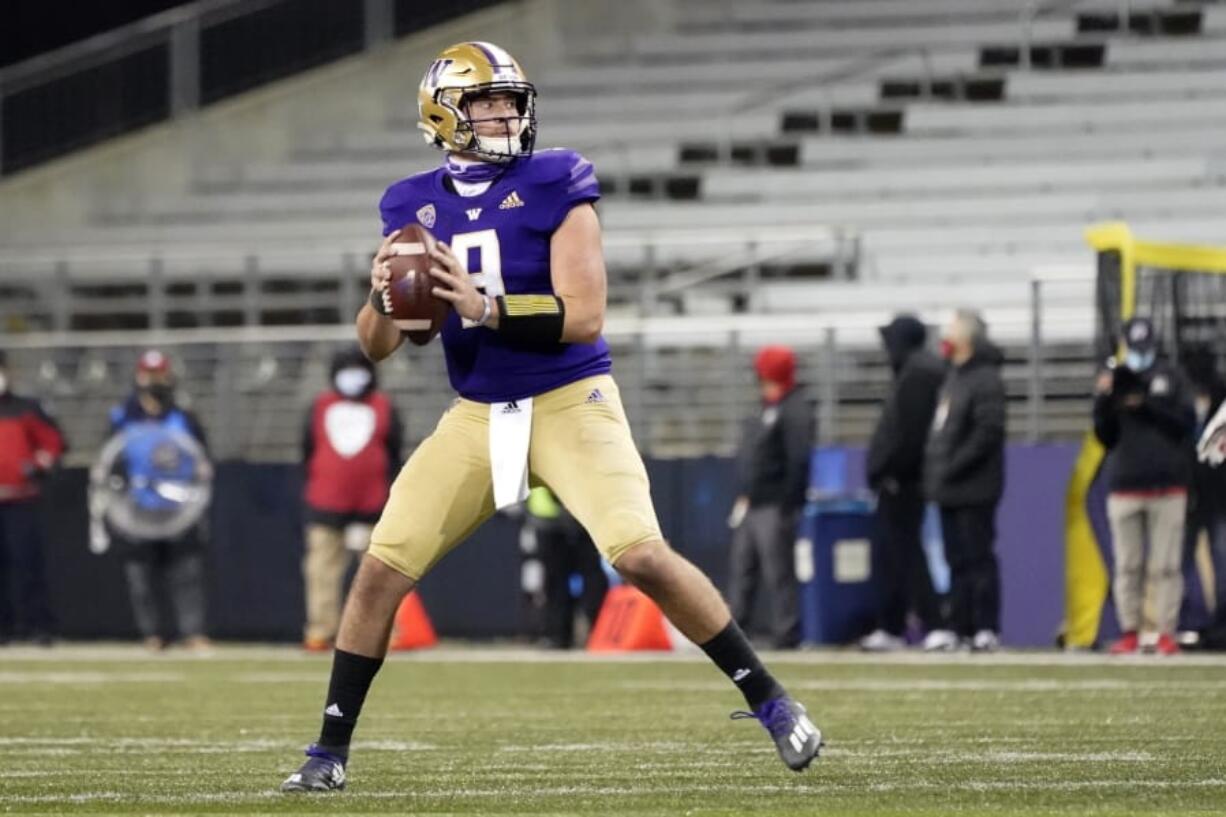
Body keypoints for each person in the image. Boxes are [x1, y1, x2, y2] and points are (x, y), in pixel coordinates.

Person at [280, 41, 822, 793]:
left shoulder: (556, 179)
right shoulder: (409, 203)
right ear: (444, 113)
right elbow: (376, 346)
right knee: (378, 572)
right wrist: (381, 295)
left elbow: (587, 314)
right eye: (487, 103)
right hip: (477, 411)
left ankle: (771, 700)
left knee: (638, 554)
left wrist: (484, 306)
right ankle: (327, 751)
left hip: (571, 397)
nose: (505, 115)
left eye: (512, 101)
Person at [94, 349, 212, 652]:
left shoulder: (184, 417)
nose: (155, 381)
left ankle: (192, 632)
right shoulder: (122, 417)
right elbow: (108, 462)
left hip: (177, 508)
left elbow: (202, 460)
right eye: (149, 374)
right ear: (138, 376)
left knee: (186, 575)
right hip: (138, 507)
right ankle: (152, 634)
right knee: (141, 579)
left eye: (160, 374)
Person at [1093, 318, 1196, 656]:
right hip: (1125, 485)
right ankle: (1130, 631)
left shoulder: (1172, 377)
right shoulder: (1116, 379)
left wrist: (1147, 404)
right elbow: (1104, 435)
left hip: (1168, 486)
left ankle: (1166, 632)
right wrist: (1106, 399)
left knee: (1166, 565)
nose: (1140, 355)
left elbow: (1185, 425)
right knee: (1127, 566)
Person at [301, 347, 404, 652]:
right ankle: (320, 631)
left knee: (380, 571)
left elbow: (393, 453)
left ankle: (386, 631)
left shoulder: (384, 406)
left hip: (372, 502)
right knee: (321, 570)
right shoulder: (319, 406)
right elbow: (307, 450)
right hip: (326, 501)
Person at [923, 310, 1006, 652]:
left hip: (974, 485)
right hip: (950, 487)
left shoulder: (985, 378)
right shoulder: (954, 376)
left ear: (967, 337)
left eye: (953, 327)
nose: (946, 333)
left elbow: (988, 431)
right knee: (955, 561)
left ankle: (985, 627)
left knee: (977, 557)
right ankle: (960, 625)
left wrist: (953, 466)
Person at [860, 316, 945, 652]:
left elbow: (910, 435)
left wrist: (891, 470)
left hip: (903, 481)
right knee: (891, 555)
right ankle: (892, 626)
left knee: (907, 553)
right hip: (896, 479)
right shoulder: (913, 371)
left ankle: (933, 622)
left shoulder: (918, 375)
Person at [727, 346, 813, 650]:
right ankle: (736, 632)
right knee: (743, 570)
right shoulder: (767, 406)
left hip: (774, 504)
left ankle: (787, 632)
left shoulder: (794, 409)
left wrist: (788, 502)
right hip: (752, 502)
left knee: (779, 572)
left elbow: (798, 460)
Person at [0, 350, 66, 645]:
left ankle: (38, 627)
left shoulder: (26, 408)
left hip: (21, 500)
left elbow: (54, 444)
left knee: (27, 566)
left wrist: (38, 465)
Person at [523, 486, 608, 649]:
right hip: (554, 520)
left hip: (579, 518)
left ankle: (597, 633)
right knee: (558, 580)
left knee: (589, 578)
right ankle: (559, 635)